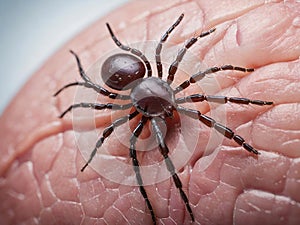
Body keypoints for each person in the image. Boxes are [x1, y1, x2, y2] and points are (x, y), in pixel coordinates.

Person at [0, 0, 299, 224]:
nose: (171, 112)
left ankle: (250, 130)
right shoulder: (133, 106)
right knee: (137, 149)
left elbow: (183, 51)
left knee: (208, 96)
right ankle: (167, 196)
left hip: (145, 83)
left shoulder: (168, 84)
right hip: (136, 89)